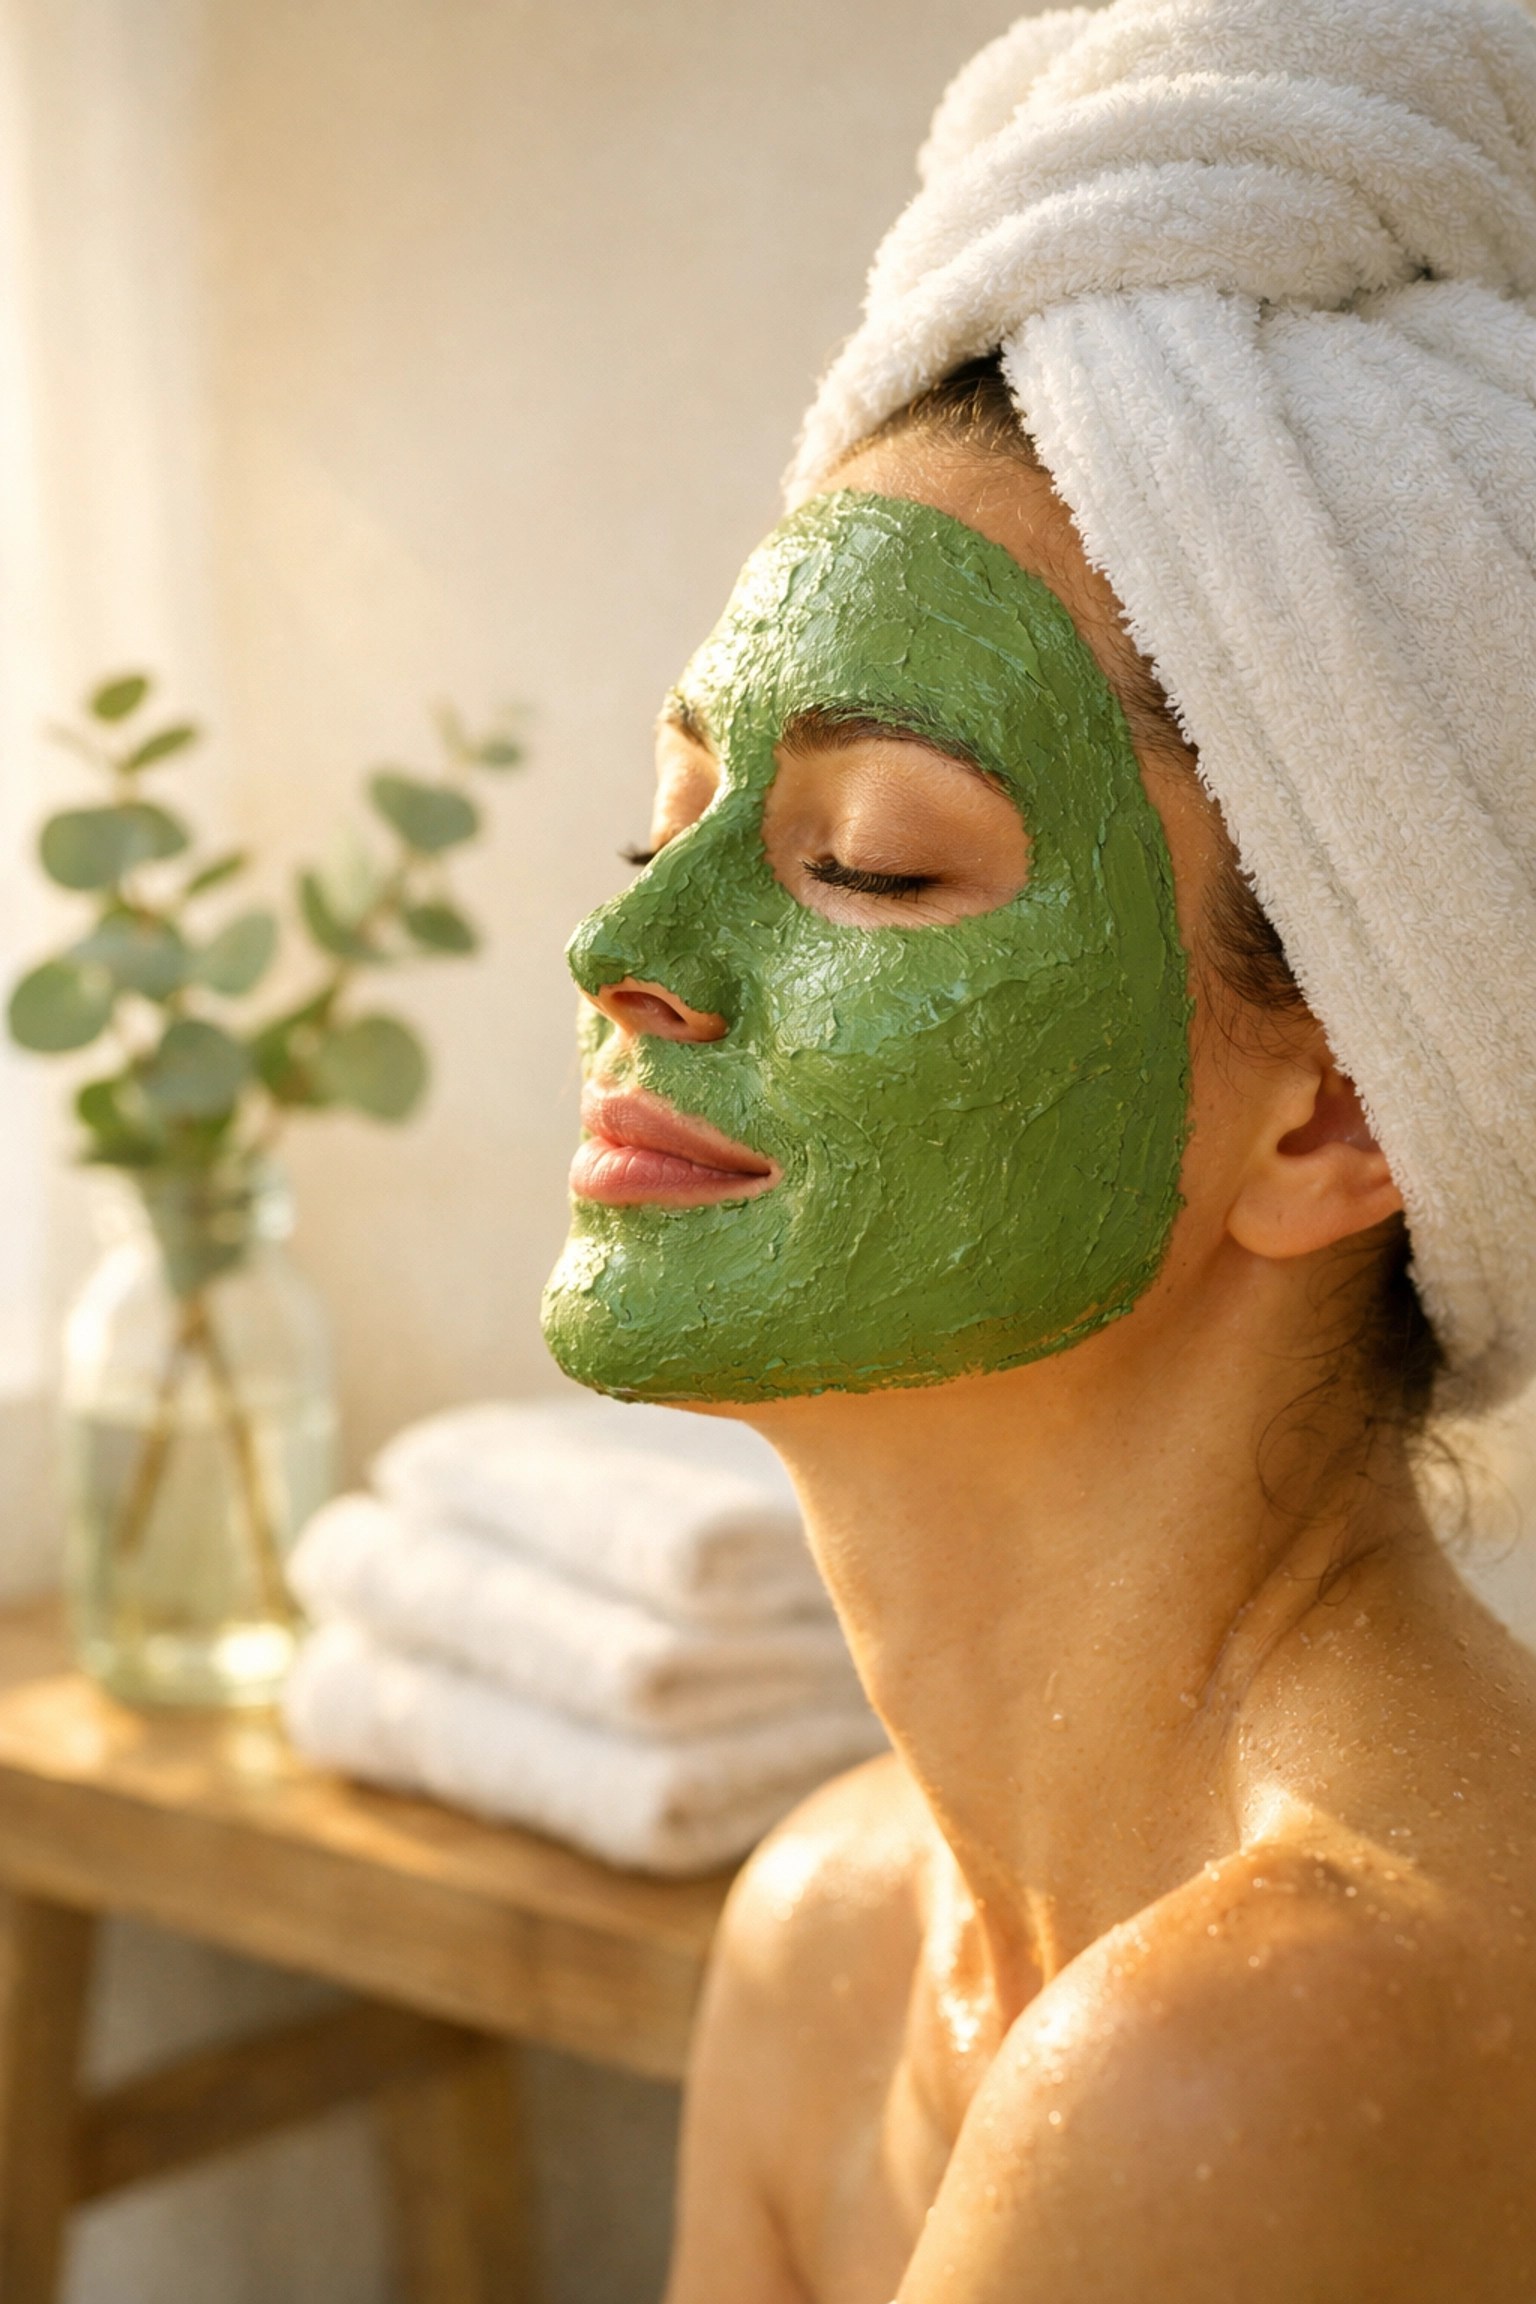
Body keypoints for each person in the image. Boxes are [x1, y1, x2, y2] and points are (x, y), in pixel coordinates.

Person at [542, 1, 1536, 2295]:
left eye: (873, 866)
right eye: (663, 823)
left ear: (1338, 1108)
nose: (626, 950)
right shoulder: (832, 1935)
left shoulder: (1274, 2039)